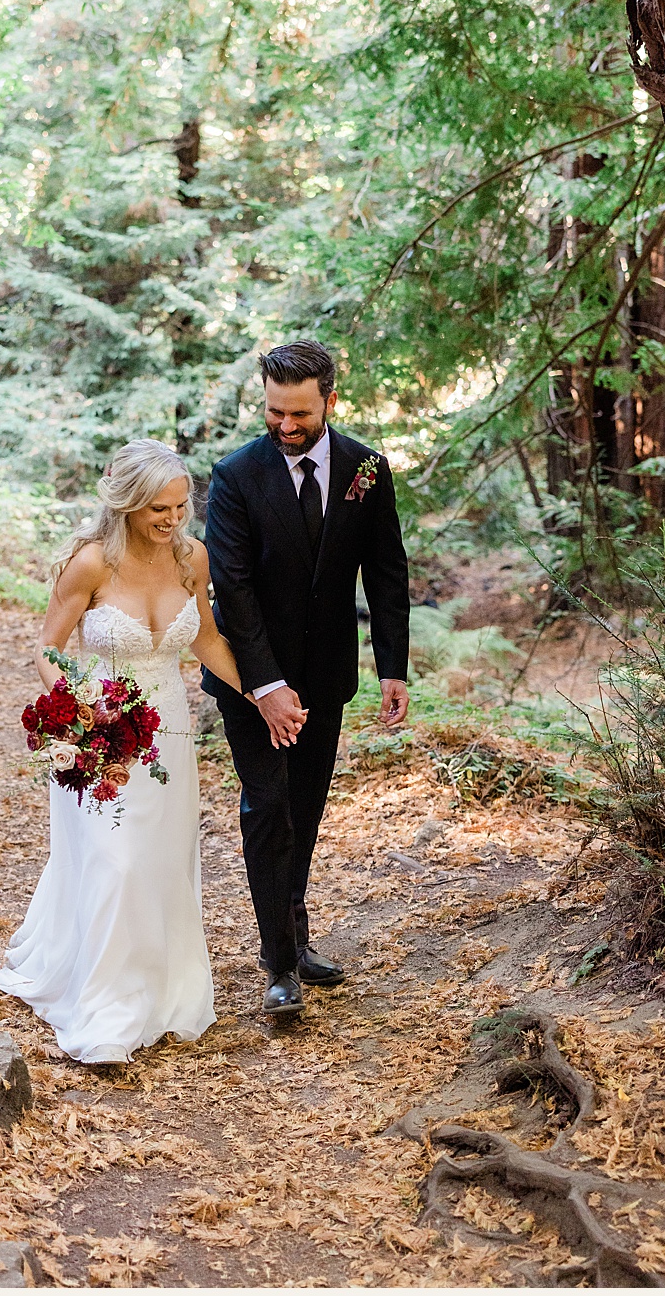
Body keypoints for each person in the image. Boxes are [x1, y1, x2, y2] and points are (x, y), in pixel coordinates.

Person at [0, 438, 239, 1064]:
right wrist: (82, 707)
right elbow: (47, 647)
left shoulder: (191, 558)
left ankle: (160, 993)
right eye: (157, 511)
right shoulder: (90, 564)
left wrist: (258, 694)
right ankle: (107, 1010)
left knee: (159, 864)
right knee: (115, 862)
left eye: (180, 507)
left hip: (168, 730)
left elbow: (205, 640)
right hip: (103, 735)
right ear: (125, 506)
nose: (172, 521)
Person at [204, 339, 410, 1016]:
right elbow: (231, 588)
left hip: (326, 679)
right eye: (273, 412)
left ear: (329, 400)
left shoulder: (368, 469)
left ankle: (291, 929)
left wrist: (392, 667)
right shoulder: (234, 476)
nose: (285, 426)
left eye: (298, 413)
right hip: (249, 678)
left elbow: (386, 572)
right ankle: (280, 962)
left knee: (307, 810)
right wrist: (265, 687)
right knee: (268, 808)